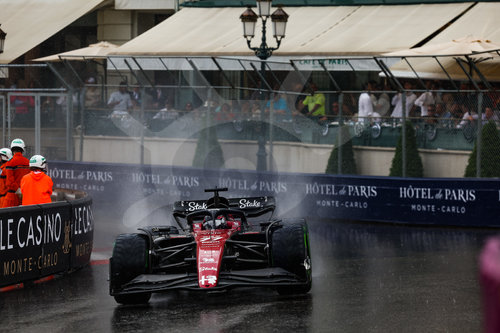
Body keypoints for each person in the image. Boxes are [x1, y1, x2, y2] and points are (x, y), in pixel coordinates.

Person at [1, 138, 30, 208]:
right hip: (25, 195)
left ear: (12, 149)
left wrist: (16, 189)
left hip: (12, 196)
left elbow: (10, 182)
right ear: (23, 149)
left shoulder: (10, 162)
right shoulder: (28, 162)